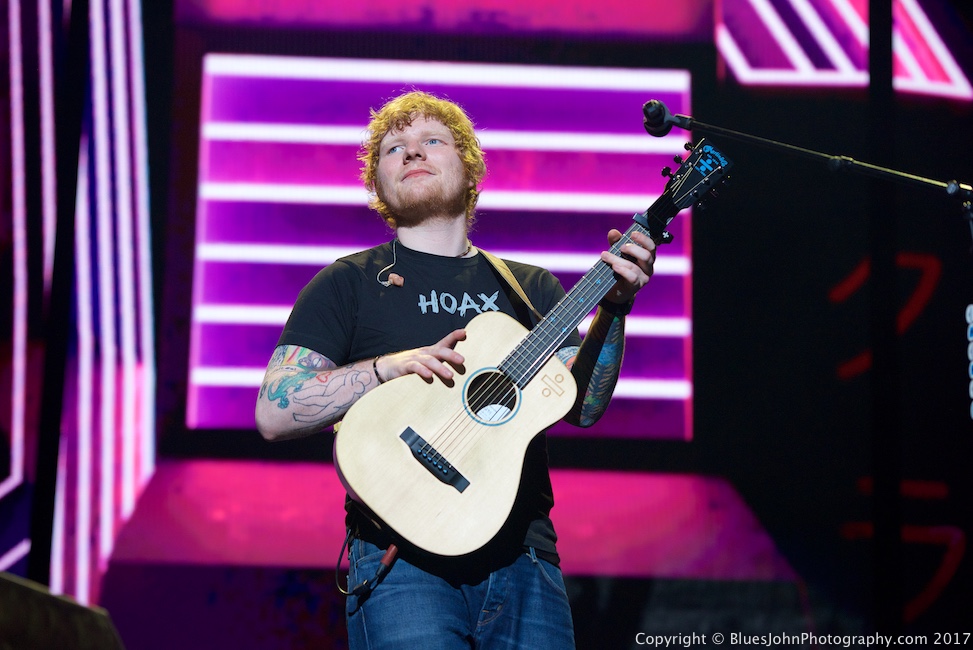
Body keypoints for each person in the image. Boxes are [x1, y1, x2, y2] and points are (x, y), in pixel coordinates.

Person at [254, 90, 656, 649]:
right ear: (378, 185)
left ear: (470, 169)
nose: (412, 152)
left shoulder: (530, 289)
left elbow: (583, 405)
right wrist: (388, 369)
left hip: (527, 561)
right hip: (400, 560)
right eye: (394, 148)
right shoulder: (346, 283)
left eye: (431, 141)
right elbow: (275, 411)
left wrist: (614, 308)